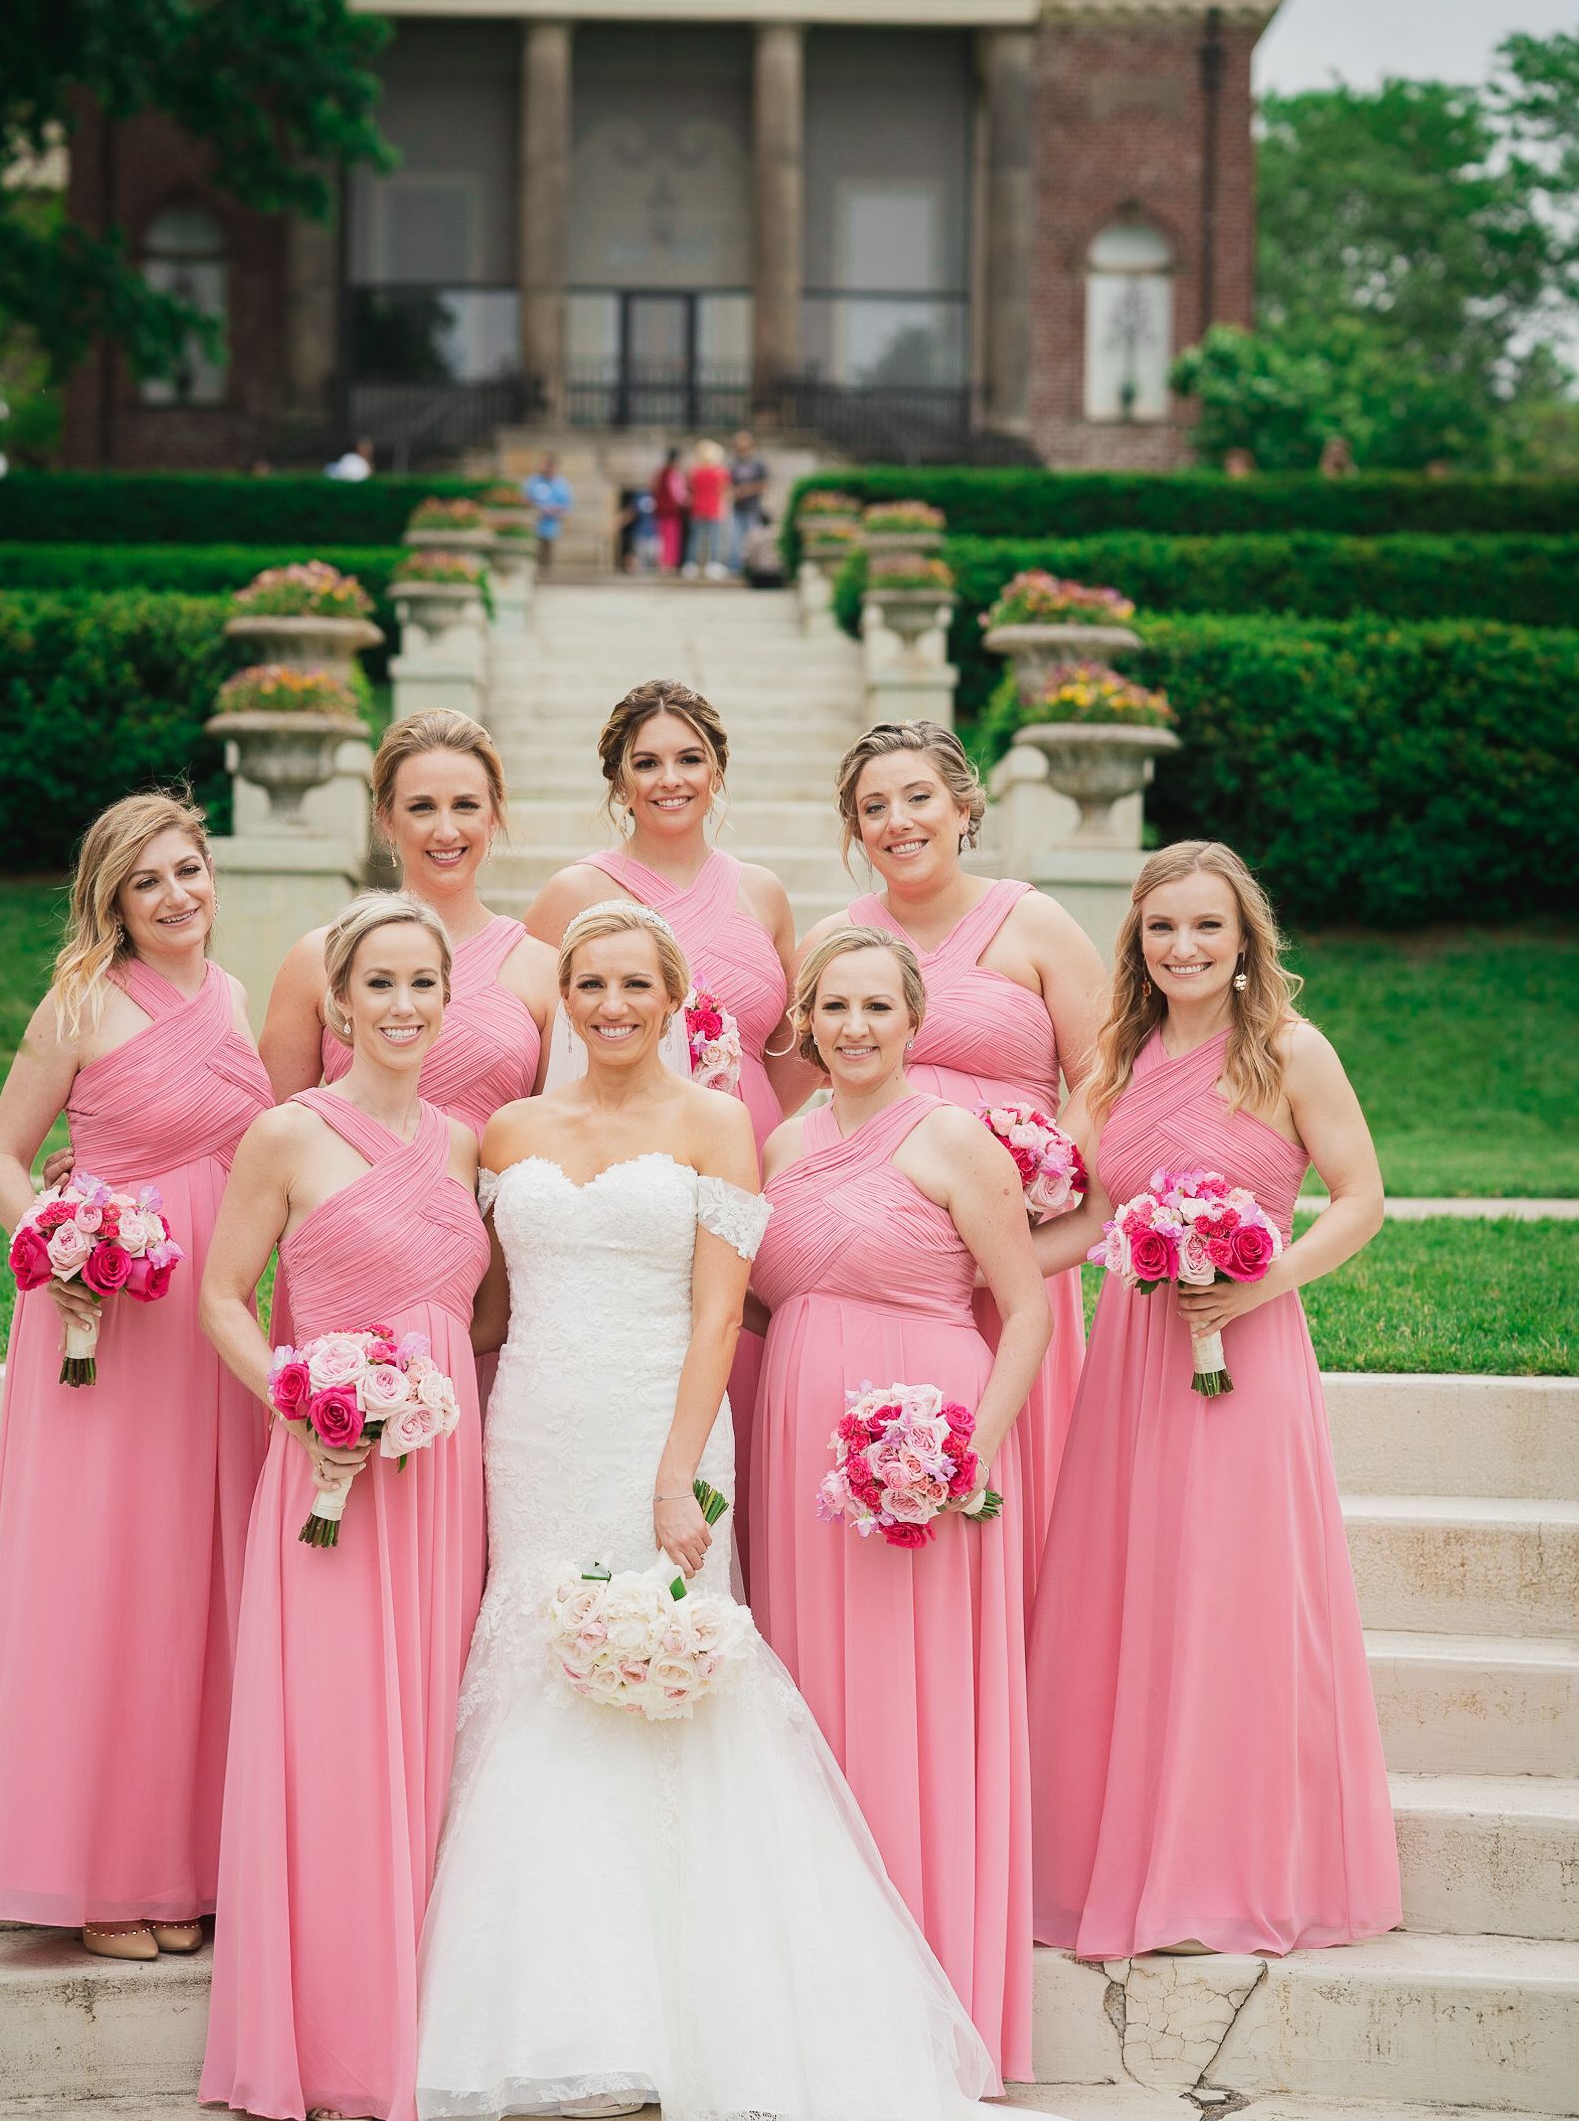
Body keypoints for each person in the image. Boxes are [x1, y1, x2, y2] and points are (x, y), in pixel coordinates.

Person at [409, 900, 1282, 2121]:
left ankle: (707, 2003)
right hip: (535, 1431)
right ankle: (558, 2004)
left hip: (663, 1428)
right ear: (562, 995)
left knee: (681, 1689)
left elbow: (718, 1303)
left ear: (680, 995)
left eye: (639, 980)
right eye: (591, 981)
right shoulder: (517, 1135)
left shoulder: (724, 1133)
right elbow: (487, 1296)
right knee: (543, 1674)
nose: (613, 1000)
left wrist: (683, 1458)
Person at [1025, 840, 1402, 1960]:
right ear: (1136, 944)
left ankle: (1231, 1866)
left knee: (1233, 1592)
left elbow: (1361, 1195)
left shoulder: (1288, 1049)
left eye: (1205, 927)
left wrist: (1261, 1279)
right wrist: (969, 1260)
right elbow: (1093, 1219)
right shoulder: (1113, 1062)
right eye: (1161, 929)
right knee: (1132, 1586)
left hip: (1252, 1346)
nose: (1182, 948)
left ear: (1244, 941)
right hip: (1137, 1352)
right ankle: (1118, 1858)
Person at [199, 893, 490, 2121]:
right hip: (326, 1475)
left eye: (425, 983)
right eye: (380, 985)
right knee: (325, 1727)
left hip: (441, 1475)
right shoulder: (284, 1135)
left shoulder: (473, 1140)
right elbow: (222, 1293)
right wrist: (302, 1396)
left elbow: (480, 1309)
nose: (405, 1006)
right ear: (338, 1002)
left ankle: (414, 2017)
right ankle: (318, 2035)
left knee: (426, 1727)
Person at [0, 792, 273, 1960]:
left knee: (197, 1578)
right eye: (148, 882)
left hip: (213, 1320)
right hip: (107, 1316)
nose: (177, 896)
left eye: (189, 870)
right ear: (114, 899)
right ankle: (99, 1877)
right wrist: (51, 1252)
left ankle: (182, 1861)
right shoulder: (79, 1003)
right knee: (112, 1579)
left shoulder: (237, 998)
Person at [749, 928, 1051, 2079]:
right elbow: (767, 1301)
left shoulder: (954, 1140)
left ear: (913, 1020)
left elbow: (1019, 1308)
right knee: (813, 1698)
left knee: (914, 1695)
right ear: (807, 1022)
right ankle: (821, 1986)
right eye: (834, 1006)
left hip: (928, 1441)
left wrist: (972, 1451)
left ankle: (937, 1992)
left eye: (877, 1006)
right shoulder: (779, 1145)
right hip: (800, 1445)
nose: (855, 1026)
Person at [799, 721, 1105, 1607]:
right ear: (855, 832)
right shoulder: (833, 939)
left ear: (965, 806)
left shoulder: (1034, 920)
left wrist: (1047, 1183)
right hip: (887, 1256)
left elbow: (1097, 1076)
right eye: (873, 807)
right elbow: (800, 1094)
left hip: (1015, 1242)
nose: (898, 821)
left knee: (1014, 1465)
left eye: (918, 797)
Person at [524, 680, 799, 1513]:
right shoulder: (574, 893)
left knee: (748, 1370)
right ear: (618, 782)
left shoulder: (763, 893)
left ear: (718, 772)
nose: (669, 778)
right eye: (646, 762)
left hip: (743, 1160)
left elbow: (787, 1052)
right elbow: (546, 1037)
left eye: (690, 759)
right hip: (631, 1171)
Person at [259, 708, 557, 1130]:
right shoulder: (318, 958)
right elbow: (268, 1137)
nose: (446, 830)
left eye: (465, 806)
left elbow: (559, 1139)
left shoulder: (544, 971)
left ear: (493, 816)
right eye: (422, 807)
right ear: (386, 821)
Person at [685, 438, 730, 580]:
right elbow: (724, 491)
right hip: (713, 509)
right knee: (713, 539)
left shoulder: (694, 472)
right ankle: (713, 565)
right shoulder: (720, 472)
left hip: (697, 508)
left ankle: (691, 565)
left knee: (695, 538)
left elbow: (690, 489)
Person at [727, 427, 769, 572]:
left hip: (753, 507)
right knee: (735, 540)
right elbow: (727, 484)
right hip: (738, 507)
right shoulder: (733, 463)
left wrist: (747, 490)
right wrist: (734, 492)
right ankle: (735, 568)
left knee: (754, 540)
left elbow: (764, 484)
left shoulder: (758, 463)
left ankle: (754, 567)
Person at [523, 452, 573, 572]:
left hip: (552, 526)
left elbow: (567, 507)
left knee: (548, 558)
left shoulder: (562, 484)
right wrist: (536, 508)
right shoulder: (533, 481)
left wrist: (554, 510)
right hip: (533, 525)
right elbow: (524, 500)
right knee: (532, 555)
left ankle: (546, 575)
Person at [652, 447, 688, 574]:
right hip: (671, 511)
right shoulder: (673, 473)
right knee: (672, 538)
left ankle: (663, 563)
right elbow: (677, 494)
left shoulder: (660, 472)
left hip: (661, 511)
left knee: (662, 538)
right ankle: (669, 564)